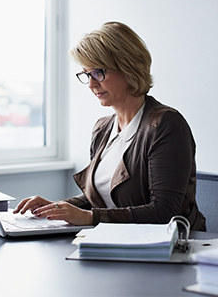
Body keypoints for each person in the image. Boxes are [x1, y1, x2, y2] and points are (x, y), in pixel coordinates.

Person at [13, 22, 207, 231]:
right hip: (117, 241)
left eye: (98, 72)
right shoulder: (103, 128)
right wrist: (56, 207)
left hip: (162, 249)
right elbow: (99, 199)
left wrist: (89, 217)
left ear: (128, 67)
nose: (91, 84)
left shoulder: (166, 124)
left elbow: (163, 212)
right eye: (86, 74)